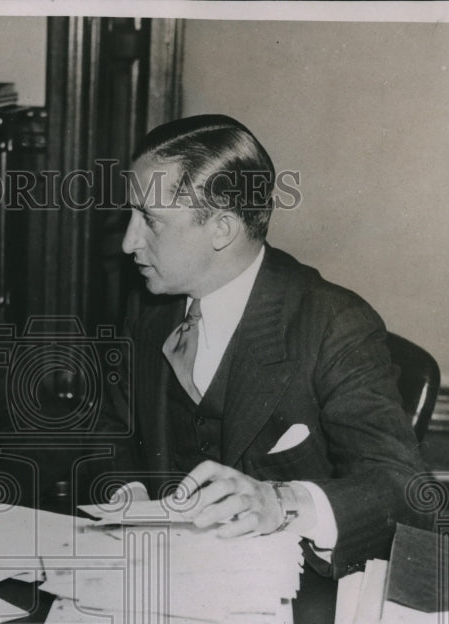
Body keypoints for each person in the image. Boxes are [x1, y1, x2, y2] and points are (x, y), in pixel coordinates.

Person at [90, 115, 425, 578]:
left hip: (292, 594)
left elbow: (405, 492)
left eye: (149, 220)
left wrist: (281, 502)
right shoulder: (149, 305)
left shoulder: (333, 324)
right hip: (161, 579)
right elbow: (112, 424)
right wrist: (127, 491)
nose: (129, 243)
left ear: (222, 229)